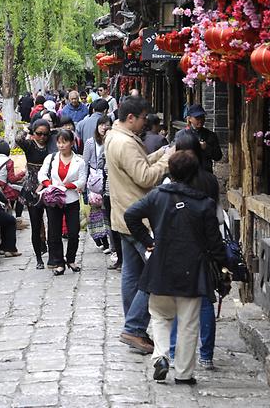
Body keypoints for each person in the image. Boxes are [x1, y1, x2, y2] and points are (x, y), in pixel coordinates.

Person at [124, 150, 227, 385]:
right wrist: (226, 265)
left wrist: (148, 242)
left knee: (160, 317)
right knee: (189, 324)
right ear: (194, 173)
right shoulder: (204, 204)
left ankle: (160, 356)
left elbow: (130, 214)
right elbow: (214, 243)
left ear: (170, 170)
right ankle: (183, 373)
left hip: (160, 268)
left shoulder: (157, 196)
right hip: (192, 272)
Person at [104, 95, 172, 354]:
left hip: (123, 216)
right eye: (144, 118)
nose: (146, 123)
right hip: (138, 220)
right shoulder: (125, 143)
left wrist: (160, 153)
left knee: (131, 275)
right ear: (130, 118)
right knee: (156, 271)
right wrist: (167, 161)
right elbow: (144, 177)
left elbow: (136, 165)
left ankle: (134, 329)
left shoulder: (115, 137)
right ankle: (133, 328)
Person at [168, 129, 221, 370]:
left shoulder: (172, 182)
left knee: (179, 300)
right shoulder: (209, 179)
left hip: (178, 246)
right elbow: (219, 217)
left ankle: (173, 351)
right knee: (206, 299)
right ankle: (206, 355)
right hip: (205, 247)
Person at [38, 130, 87, 275]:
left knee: (73, 232)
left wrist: (66, 187)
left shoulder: (79, 161)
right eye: (59, 142)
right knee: (54, 232)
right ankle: (59, 262)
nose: (61, 145)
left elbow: (82, 181)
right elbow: (42, 174)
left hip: (71, 199)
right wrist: (49, 185)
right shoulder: (51, 158)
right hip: (54, 199)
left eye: (64, 142)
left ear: (72, 143)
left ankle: (70, 259)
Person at [16, 120, 53, 268]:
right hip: (32, 188)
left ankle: (53, 254)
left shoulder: (52, 144)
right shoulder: (30, 145)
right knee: (36, 223)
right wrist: (28, 130)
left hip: (49, 187)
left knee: (53, 223)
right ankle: (38, 258)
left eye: (45, 134)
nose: (42, 137)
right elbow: (18, 139)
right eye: (39, 133)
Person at [83, 115, 112, 254]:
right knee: (96, 211)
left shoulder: (112, 141)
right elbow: (85, 162)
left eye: (106, 125)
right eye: (101, 125)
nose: (103, 127)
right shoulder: (90, 142)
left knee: (107, 210)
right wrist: (83, 183)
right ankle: (101, 239)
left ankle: (109, 241)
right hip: (95, 180)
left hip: (108, 179)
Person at [185, 104, 222, 172]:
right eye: (197, 118)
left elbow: (218, 156)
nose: (200, 120)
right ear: (189, 119)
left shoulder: (211, 135)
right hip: (188, 173)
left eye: (202, 117)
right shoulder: (182, 134)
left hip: (205, 173)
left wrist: (206, 148)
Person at [0, 140, 24, 210]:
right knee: (21, 193)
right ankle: (18, 216)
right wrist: (22, 173)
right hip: (3, 188)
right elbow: (11, 179)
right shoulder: (9, 161)